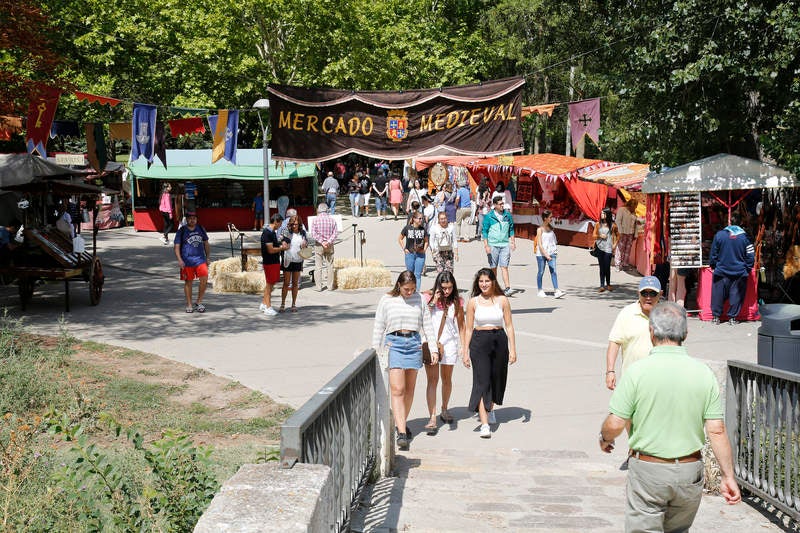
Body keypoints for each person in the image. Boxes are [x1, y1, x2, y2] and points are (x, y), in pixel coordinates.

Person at [599, 302, 740, 531]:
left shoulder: (637, 372)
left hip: (648, 471)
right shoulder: (703, 374)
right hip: (688, 471)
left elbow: (615, 423)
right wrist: (728, 476)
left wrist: (605, 438)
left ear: (651, 332)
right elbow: (716, 430)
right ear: (685, 332)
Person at [372, 270, 438, 450]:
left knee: (409, 390)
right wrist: (376, 349)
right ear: (399, 286)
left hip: (414, 343)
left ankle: (401, 421)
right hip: (395, 343)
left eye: (413, 289)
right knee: (397, 389)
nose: (410, 293)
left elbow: (428, 326)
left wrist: (432, 348)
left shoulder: (420, 299)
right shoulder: (387, 300)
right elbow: (379, 325)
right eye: (406, 289)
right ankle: (402, 432)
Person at [463, 268, 517, 438]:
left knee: (496, 378)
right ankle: (484, 423)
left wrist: (513, 349)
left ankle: (489, 408)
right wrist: (465, 351)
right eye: (481, 281)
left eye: (487, 281)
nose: (484, 284)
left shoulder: (502, 300)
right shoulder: (473, 302)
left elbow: (509, 325)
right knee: (481, 381)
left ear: (493, 282)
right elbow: (469, 329)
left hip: (499, 340)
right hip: (479, 342)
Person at [421, 271, 465, 434]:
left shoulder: (457, 302)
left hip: (450, 343)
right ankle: (432, 417)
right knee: (432, 380)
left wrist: (463, 346)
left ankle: (444, 409)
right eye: (444, 288)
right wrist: (434, 299)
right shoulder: (428, 298)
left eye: (450, 288)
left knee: (447, 379)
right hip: (432, 344)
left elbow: (462, 325)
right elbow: (420, 314)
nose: (446, 291)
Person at [605, 276, 662, 390]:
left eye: (653, 293)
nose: (648, 297)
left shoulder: (665, 315)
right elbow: (614, 343)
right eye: (644, 293)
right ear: (638, 293)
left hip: (659, 381)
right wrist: (610, 371)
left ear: (660, 294)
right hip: (632, 381)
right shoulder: (627, 313)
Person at [709, 213, 755, 325]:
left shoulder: (719, 235)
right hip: (739, 272)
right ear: (741, 223)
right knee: (736, 295)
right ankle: (732, 319)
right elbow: (750, 256)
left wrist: (713, 265)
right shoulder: (745, 238)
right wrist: (747, 269)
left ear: (728, 222)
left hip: (721, 271)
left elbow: (713, 254)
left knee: (718, 295)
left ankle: (716, 317)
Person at [174, 211, 210, 313]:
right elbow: (176, 247)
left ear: (196, 219)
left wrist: (207, 257)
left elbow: (206, 243)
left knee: (204, 279)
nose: (192, 220)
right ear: (186, 219)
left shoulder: (200, 229)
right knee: (188, 282)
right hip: (187, 261)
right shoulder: (182, 231)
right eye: (190, 218)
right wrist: (180, 260)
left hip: (200, 260)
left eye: (194, 218)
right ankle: (189, 304)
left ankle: (199, 302)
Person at [482, 195, 516, 296]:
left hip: (505, 244)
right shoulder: (489, 216)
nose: (502, 206)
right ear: (495, 205)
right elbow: (485, 231)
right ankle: (493, 287)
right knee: (493, 267)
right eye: (500, 204)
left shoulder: (507, 215)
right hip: (493, 245)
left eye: (503, 203)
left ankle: (507, 288)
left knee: (504, 266)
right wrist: (486, 246)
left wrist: (513, 242)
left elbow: (511, 229)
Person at [260, 213, 287, 316]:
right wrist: (282, 248)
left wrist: (280, 244)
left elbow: (274, 245)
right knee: (269, 285)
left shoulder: (271, 232)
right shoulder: (267, 233)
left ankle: (264, 303)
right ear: (276, 221)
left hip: (273, 261)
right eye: (280, 223)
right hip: (270, 261)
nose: (280, 225)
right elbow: (270, 250)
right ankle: (268, 306)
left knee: (271, 284)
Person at [280, 215, 308, 312]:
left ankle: (293, 304)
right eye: (293, 224)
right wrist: (284, 244)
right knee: (286, 283)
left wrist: (305, 244)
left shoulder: (303, 232)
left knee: (295, 283)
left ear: (299, 224)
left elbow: (305, 243)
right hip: (287, 259)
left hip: (298, 259)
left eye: (296, 224)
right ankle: (283, 303)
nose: (294, 226)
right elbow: (283, 241)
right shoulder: (287, 231)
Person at [535, 209, 563, 298]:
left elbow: (554, 240)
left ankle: (557, 290)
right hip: (541, 254)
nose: (552, 219)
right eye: (550, 217)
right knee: (541, 271)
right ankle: (540, 290)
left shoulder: (551, 228)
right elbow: (539, 244)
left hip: (552, 253)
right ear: (545, 218)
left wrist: (554, 251)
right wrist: (546, 255)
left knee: (553, 271)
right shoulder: (540, 229)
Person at [310, 203, 337, 291]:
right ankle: (330, 286)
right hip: (330, 245)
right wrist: (328, 242)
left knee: (318, 266)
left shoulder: (315, 220)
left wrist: (322, 242)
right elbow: (335, 233)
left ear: (319, 210)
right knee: (330, 266)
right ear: (327, 210)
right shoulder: (332, 220)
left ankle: (319, 287)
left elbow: (313, 233)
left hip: (319, 245)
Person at [399, 212, 428, 291]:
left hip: (420, 255)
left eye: (422, 218)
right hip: (410, 254)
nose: (421, 220)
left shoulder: (423, 229)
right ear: (414, 219)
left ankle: (417, 292)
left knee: (417, 275)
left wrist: (424, 250)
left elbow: (426, 241)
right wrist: (404, 249)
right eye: (419, 218)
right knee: (410, 274)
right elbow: (400, 238)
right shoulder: (407, 228)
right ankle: (409, 290)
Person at [592, 207, 619, 292]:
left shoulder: (613, 225)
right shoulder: (597, 224)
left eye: (603, 213)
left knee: (607, 267)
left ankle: (608, 284)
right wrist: (600, 236)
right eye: (601, 213)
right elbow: (594, 235)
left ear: (607, 214)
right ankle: (602, 285)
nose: (601, 215)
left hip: (608, 248)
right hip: (600, 247)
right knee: (601, 267)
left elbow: (618, 235)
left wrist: (615, 244)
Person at [615, 198, 639, 271]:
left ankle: (625, 264)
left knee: (628, 249)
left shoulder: (633, 213)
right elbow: (618, 221)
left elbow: (635, 224)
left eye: (635, 207)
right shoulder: (622, 210)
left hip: (630, 233)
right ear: (630, 205)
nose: (635, 208)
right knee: (620, 248)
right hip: (623, 232)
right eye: (634, 206)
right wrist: (620, 231)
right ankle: (618, 264)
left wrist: (635, 234)